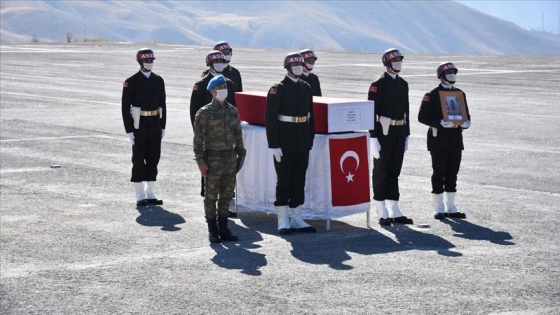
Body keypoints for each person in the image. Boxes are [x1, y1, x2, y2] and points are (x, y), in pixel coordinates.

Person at [265, 52, 316, 235]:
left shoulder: (306, 87)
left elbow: (311, 115)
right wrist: (274, 144)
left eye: (299, 65)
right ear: (287, 68)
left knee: (299, 179)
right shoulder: (277, 89)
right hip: (284, 140)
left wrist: (310, 138)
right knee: (284, 179)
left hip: (302, 139)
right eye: (294, 66)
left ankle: (296, 217)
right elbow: (270, 119)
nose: (297, 68)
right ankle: (282, 219)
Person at [193, 75, 246, 243]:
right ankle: (212, 230)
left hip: (230, 158)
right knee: (211, 196)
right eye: (219, 87)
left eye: (225, 86)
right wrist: (200, 161)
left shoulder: (232, 111)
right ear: (211, 91)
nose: (223, 89)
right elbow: (198, 139)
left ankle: (224, 229)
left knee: (227, 195)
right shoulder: (204, 113)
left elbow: (238, 135)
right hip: (212, 159)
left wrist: (241, 155)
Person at [418, 62, 471, 220]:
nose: (452, 75)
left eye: (453, 72)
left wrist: (467, 122)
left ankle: (451, 206)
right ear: (441, 76)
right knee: (439, 172)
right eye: (448, 73)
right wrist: (440, 122)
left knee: (452, 173)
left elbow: (465, 113)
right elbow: (422, 117)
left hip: (455, 139)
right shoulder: (432, 94)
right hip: (438, 139)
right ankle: (439, 207)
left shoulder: (460, 94)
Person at [367, 48, 413, 226]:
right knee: (381, 171)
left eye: (400, 61)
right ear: (387, 64)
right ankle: (381, 210)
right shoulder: (378, 84)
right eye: (395, 61)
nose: (398, 64)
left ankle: (394, 208)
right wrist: (373, 137)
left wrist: (407, 134)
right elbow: (371, 111)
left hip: (399, 132)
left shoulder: (403, 84)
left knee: (394, 171)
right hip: (383, 133)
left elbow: (406, 111)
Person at [190, 50, 238, 216]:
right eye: (215, 61)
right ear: (209, 64)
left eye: (221, 60)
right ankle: (209, 205)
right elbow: (194, 111)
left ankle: (226, 206)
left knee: (227, 173)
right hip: (208, 136)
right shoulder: (201, 84)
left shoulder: (229, 84)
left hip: (226, 136)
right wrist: (199, 137)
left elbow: (234, 109)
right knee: (208, 172)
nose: (219, 63)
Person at [121, 48, 166, 207]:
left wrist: (163, 126)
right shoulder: (131, 81)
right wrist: (129, 130)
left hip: (154, 122)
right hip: (138, 125)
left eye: (151, 60)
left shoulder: (158, 80)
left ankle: (150, 191)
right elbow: (125, 107)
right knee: (139, 158)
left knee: (154, 157)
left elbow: (163, 104)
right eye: (147, 61)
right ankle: (139, 193)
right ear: (140, 62)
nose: (150, 63)